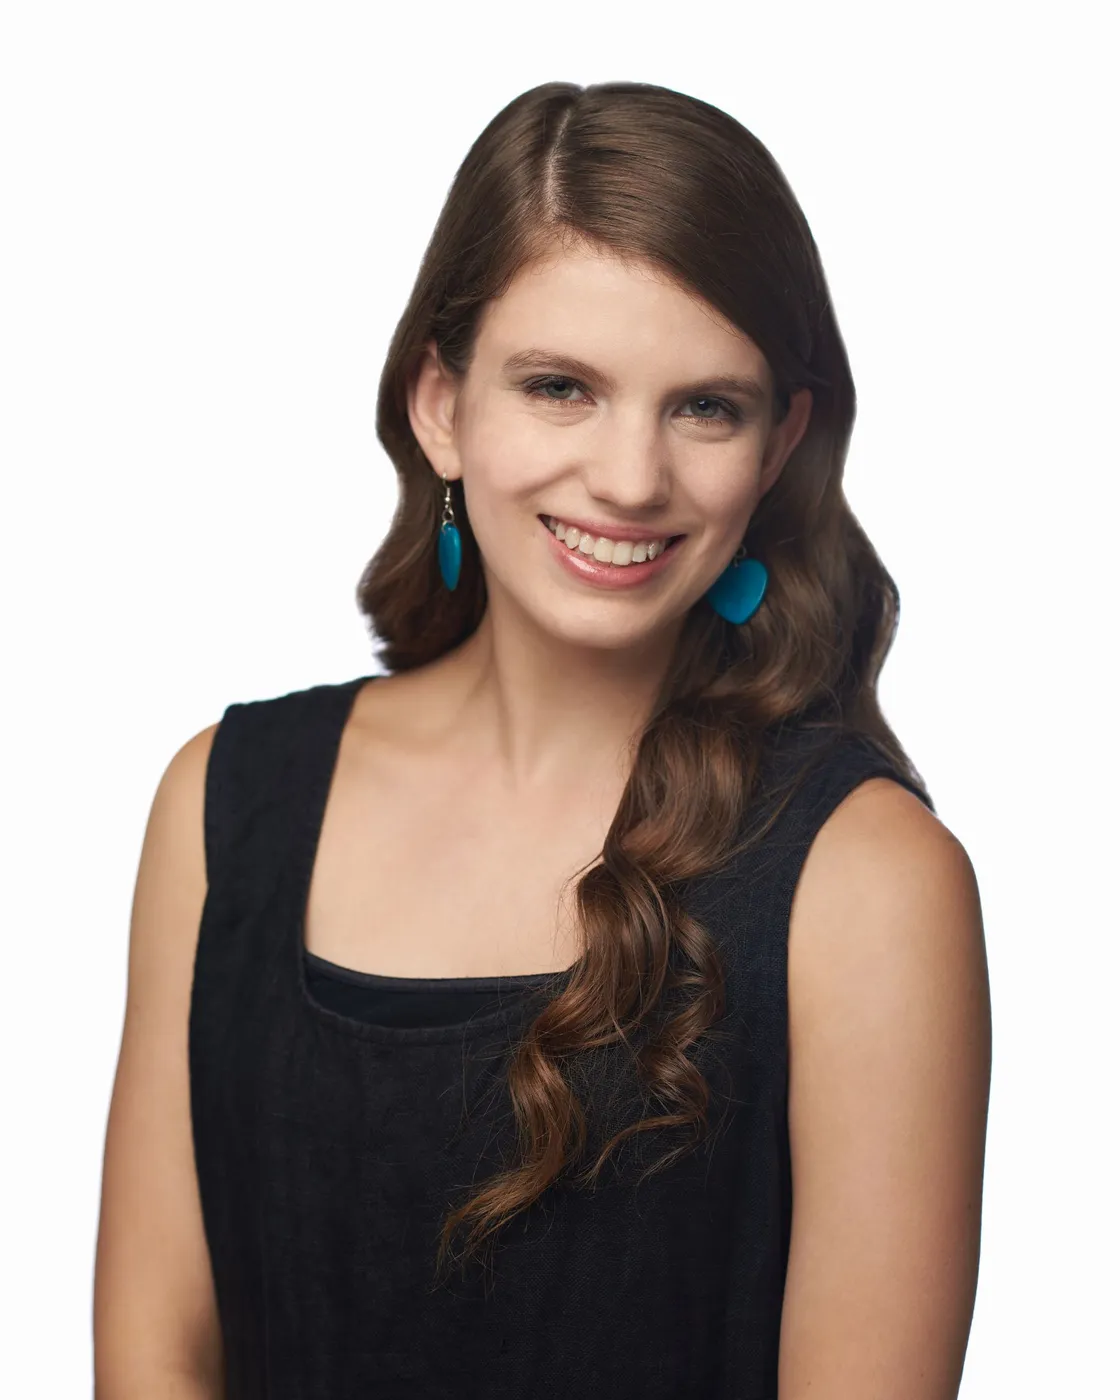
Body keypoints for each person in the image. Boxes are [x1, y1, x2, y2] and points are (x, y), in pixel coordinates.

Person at [93, 79, 991, 1399]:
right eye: (562, 387)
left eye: (706, 407)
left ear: (780, 439)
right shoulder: (225, 805)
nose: (631, 479)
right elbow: (154, 1355)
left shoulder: (871, 883)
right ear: (442, 406)